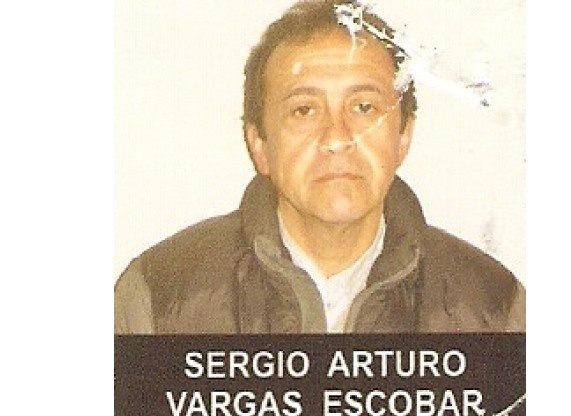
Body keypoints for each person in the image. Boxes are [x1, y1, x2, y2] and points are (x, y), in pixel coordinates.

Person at [114, 0, 525, 334]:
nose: (336, 138)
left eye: (364, 107)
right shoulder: (156, 301)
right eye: (304, 110)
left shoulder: (496, 311)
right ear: (260, 145)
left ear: (403, 137)